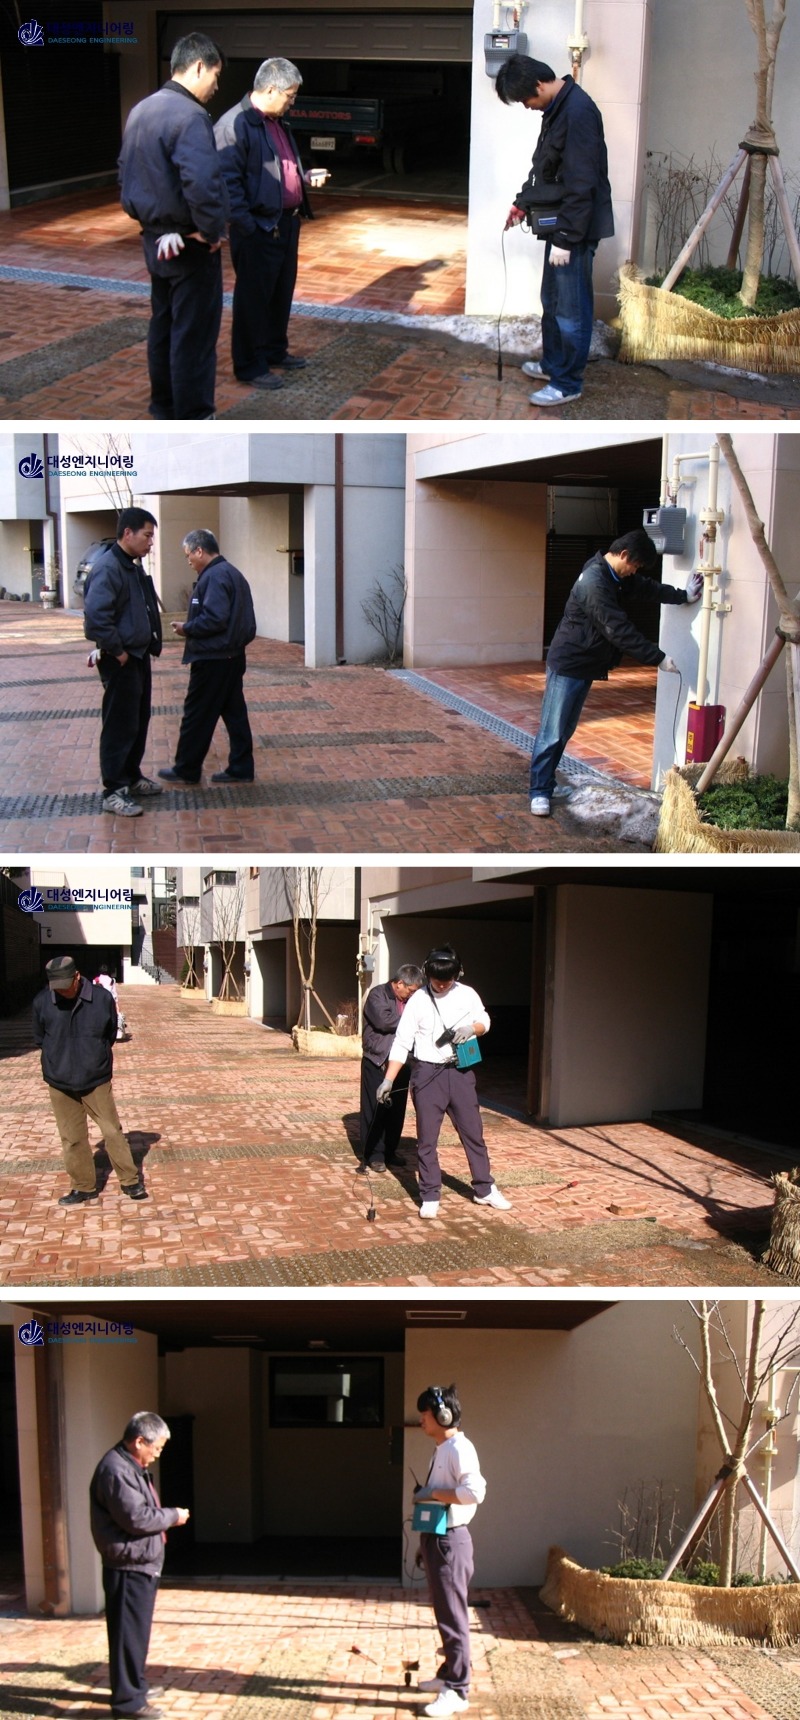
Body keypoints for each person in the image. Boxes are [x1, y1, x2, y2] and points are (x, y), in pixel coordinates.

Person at [528, 527, 703, 816]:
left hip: (584, 664)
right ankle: (539, 792)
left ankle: (546, 784)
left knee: (564, 730)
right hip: (569, 664)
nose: (635, 571)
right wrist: (657, 658)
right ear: (623, 554)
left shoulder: (614, 576)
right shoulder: (594, 582)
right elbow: (617, 629)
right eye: (635, 565)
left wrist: (683, 595)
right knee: (552, 731)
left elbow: (647, 588)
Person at [118, 32, 227, 419]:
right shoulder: (190, 116)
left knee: (163, 326)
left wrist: (152, 223)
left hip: (154, 240)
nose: (216, 86)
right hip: (189, 243)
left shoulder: (141, 110)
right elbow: (202, 183)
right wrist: (211, 232)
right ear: (198, 67)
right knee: (193, 334)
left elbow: (125, 173)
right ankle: (194, 414)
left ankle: (163, 406)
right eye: (215, 75)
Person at [496, 54, 614, 407]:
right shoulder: (557, 109)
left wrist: (566, 239)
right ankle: (552, 366)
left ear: (538, 84)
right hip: (563, 226)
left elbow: (582, 182)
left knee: (570, 310)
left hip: (574, 230)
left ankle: (567, 383)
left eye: (524, 99)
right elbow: (545, 167)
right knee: (553, 301)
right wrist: (523, 202)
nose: (526, 106)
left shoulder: (578, 112)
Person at [214, 57, 328, 390]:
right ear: (270, 90)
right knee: (253, 299)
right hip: (258, 228)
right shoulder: (235, 125)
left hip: (285, 224)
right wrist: (248, 227)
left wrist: (303, 177)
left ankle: (274, 351)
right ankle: (249, 365)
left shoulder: (276, 122)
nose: (293, 102)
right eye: (290, 95)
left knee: (280, 294)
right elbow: (228, 184)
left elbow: (278, 170)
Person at [377, 945, 510, 1220]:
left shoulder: (467, 994)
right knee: (427, 1139)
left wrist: (472, 1028)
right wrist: (388, 1080)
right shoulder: (418, 1000)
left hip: (461, 1072)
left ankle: (484, 1189)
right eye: (436, 980)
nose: (441, 985)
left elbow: (484, 1019)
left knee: (473, 1133)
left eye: (447, 980)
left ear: (457, 974)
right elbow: (402, 1042)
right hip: (427, 1074)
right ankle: (429, 1194)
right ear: (427, 973)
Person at [90, 1411, 190, 1719]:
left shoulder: (129, 1466)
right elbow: (136, 1518)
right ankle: (128, 1703)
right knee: (127, 1635)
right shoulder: (116, 1470)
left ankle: (135, 1686)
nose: (158, 1454)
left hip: (138, 1563)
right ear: (139, 1441)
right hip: (128, 1566)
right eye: (156, 1447)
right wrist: (173, 1516)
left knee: (135, 1633)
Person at [32, 955, 146, 1206]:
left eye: (66, 985)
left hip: (95, 1078)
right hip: (60, 1081)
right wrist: (57, 1059)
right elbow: (40, 1038)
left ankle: (130, 1181)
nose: (62, 991)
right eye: (56, 987)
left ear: (77, 977)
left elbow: (110, 1034)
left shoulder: (101, 998)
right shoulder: (43, 1002)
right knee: (72, 1138)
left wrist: (95, 1057)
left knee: (111, 1131)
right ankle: (83, 1186)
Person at [157, 530, 258, 785]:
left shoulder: (214, 576)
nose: (188, 560)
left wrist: (187, 628)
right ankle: (241, 766)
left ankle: (186, 768)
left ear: (199, 550)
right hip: (232, 656)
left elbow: (215, 618)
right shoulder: (232, 573)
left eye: (188, 555)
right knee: (234, 714)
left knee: (197, 714)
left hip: (214, 658)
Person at [83, 508, 163, 818]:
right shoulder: (108, 568)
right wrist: (118, 652)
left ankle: (130, 776)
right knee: (119, 725)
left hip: (138, 657)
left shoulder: (130, 566)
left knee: (137, 721)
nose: (150, 542)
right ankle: (114, 790)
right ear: (127, 533)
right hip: (122, 659)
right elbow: (96, 620)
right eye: (147, 535)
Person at [414, 1383, 486, 1717]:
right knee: (445, 1613)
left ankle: (458, 1689)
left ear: (443, 1416)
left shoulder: (460, 1448)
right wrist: (425, 1542)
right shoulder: (442, 1448)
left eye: (425, 1414)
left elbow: (474, 1492)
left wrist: (432, 1493)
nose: (421, 1420)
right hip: (437, 1538)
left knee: (454, 1616)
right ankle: (448, 1675)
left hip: (451, 1541)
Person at [359, 964, 424, 1173]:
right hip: (377, 1060)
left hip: (402, 1062)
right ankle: (374, 1154)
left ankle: (390, 1151)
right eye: (410, 991)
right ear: (399, 984)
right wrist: (413, 1021)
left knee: (396, 1110)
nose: (412, 995)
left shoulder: (411, 1000)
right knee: (375, 1109)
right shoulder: (377, 995)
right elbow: (384, 1022)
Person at [93, 964, 126, 1040]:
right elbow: (114, 993)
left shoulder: (96, 980)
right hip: (109, 1000)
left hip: (98, 1001)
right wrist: (116, 1004)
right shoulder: (112, 980)